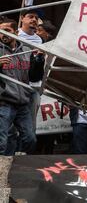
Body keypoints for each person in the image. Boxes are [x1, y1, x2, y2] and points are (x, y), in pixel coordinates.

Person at [0, 17, 44, 155]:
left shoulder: (26, 50)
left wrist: (39, 62)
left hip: (23, 103)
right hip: (4, 102)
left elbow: (34, 77)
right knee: (1, 142)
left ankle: (18, 167)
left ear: (16, 32)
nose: (3, 34)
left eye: (7, 30)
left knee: (30, 139)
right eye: (0, 31)